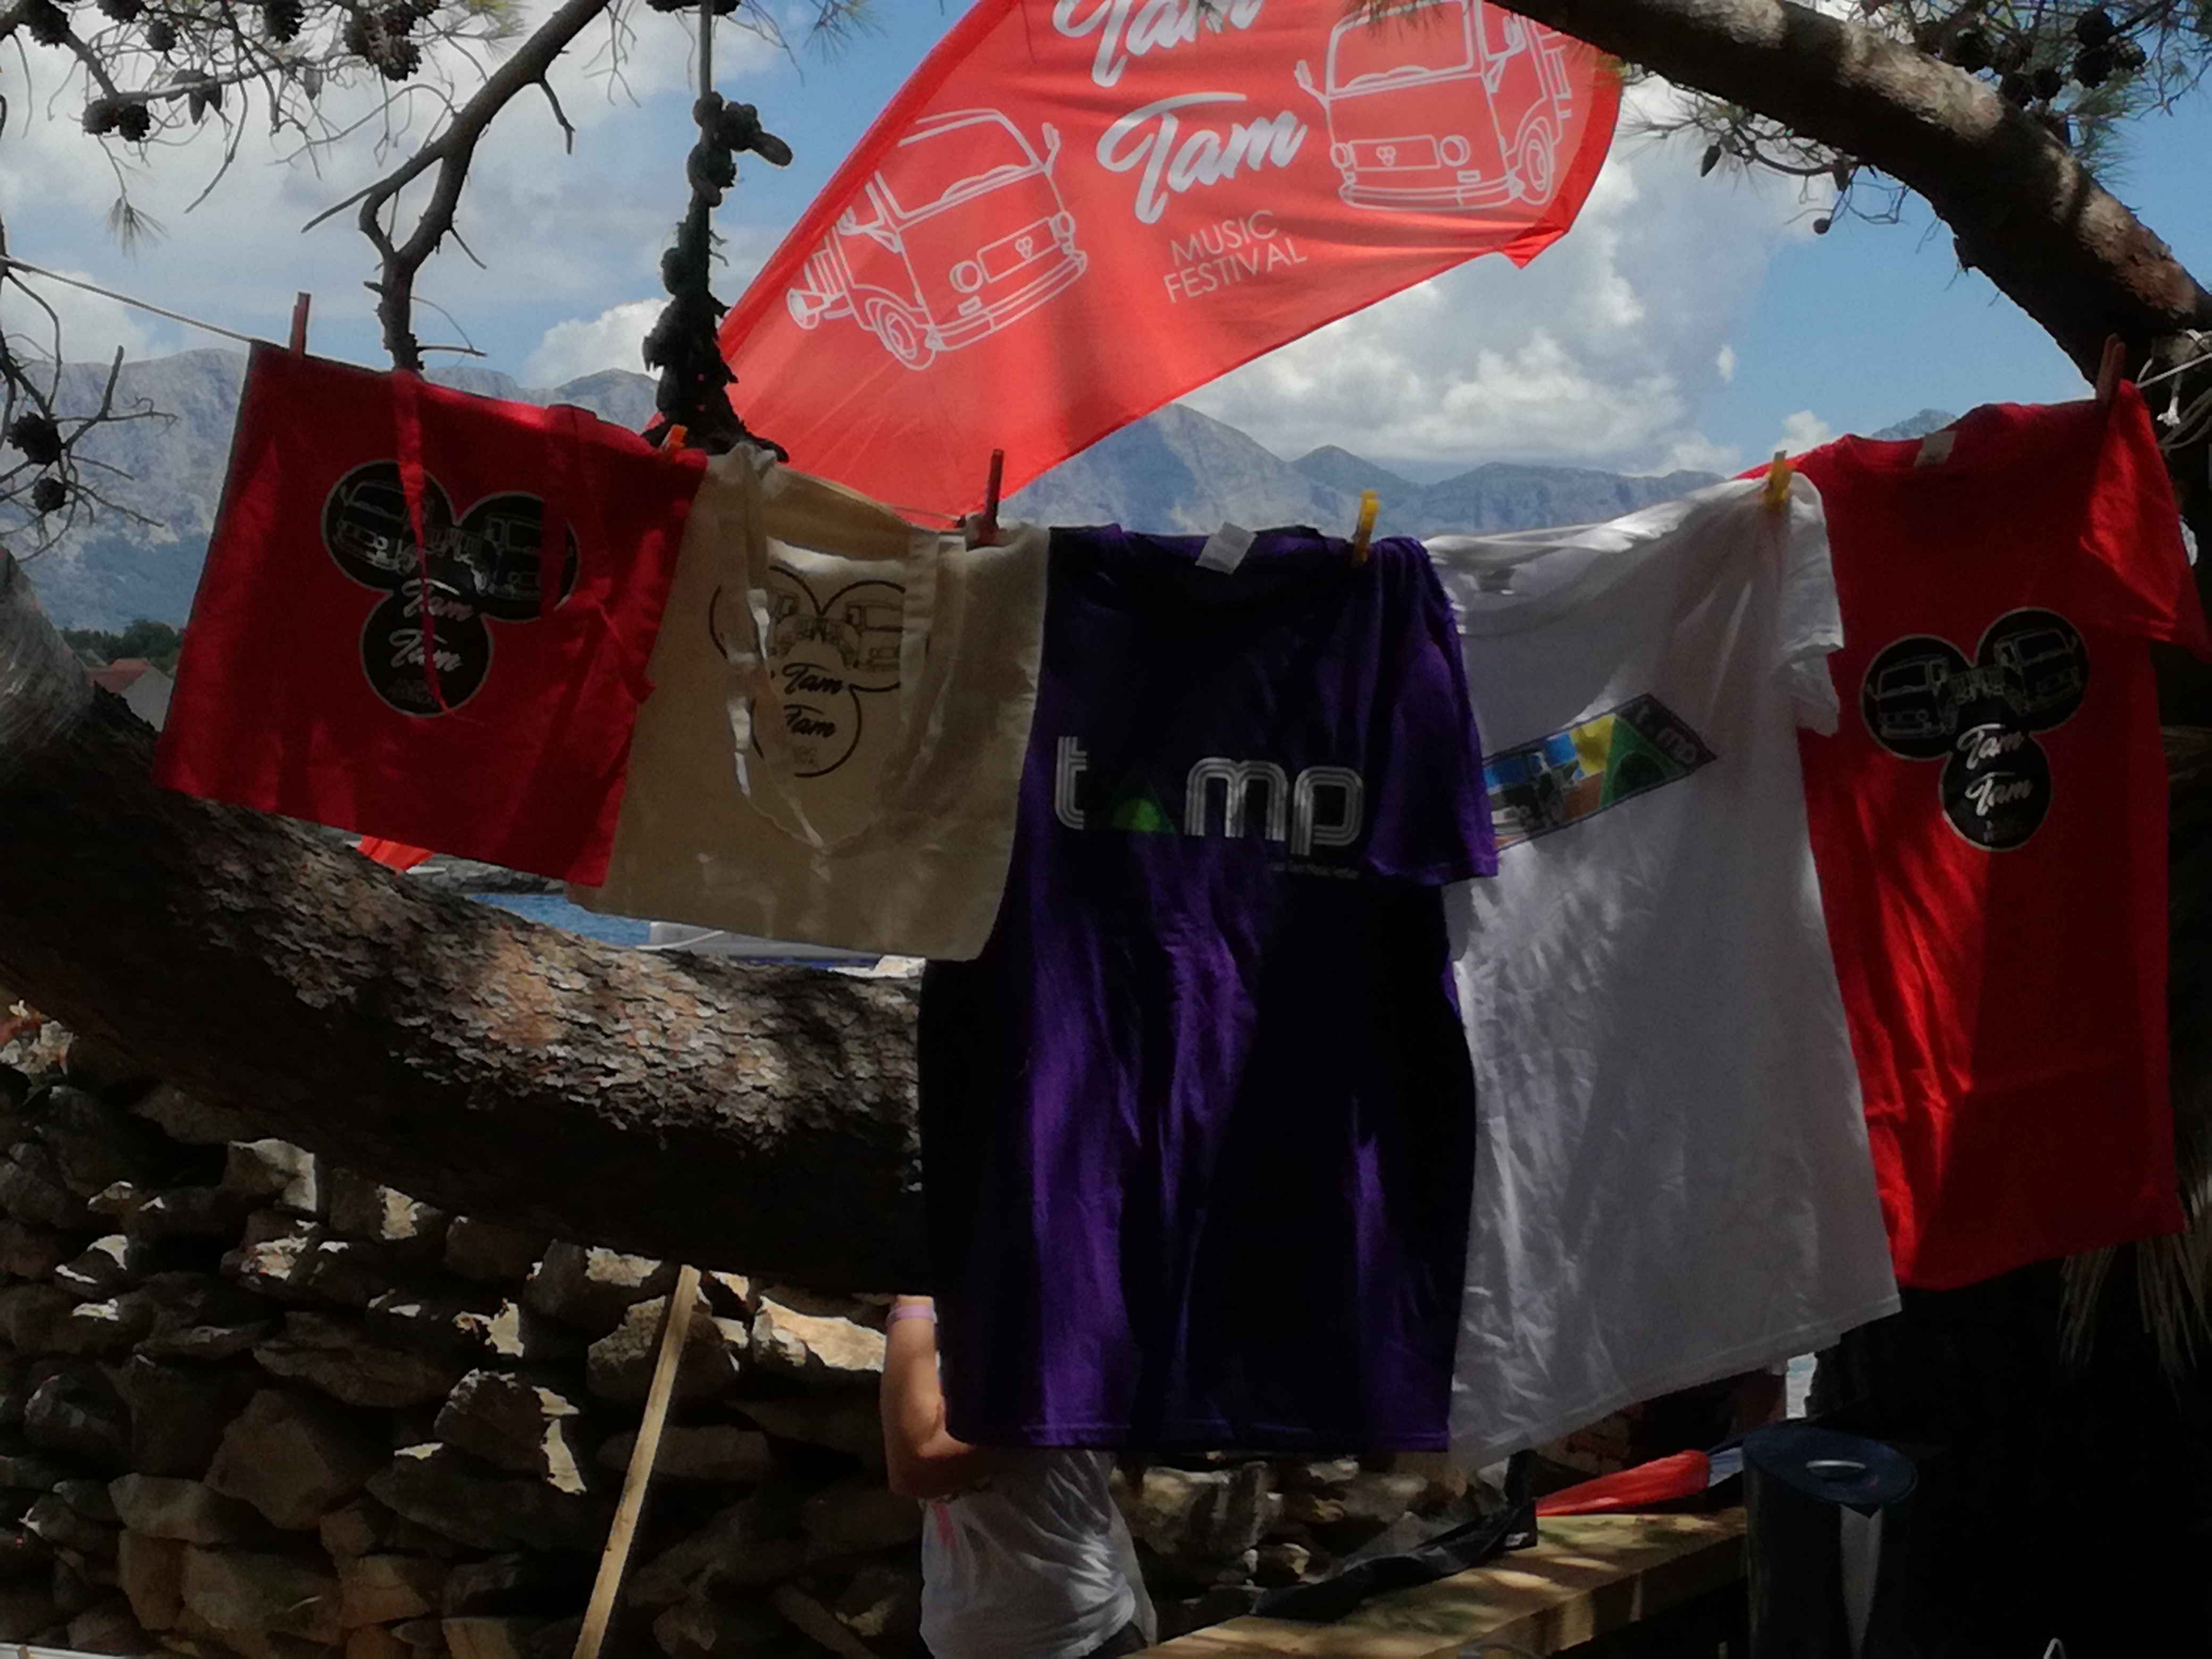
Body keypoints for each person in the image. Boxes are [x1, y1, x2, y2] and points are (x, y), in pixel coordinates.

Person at [881, 1294, 1155, 1659]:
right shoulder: (979, 1329)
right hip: (974, 1643)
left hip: (1075, 1641)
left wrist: (910, 1300)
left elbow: (918, 1466)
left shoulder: (1061, 1343)